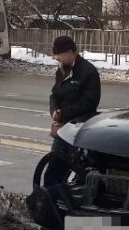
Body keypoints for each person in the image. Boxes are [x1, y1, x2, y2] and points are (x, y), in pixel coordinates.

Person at [43, 36, 101, 188]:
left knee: (76, 168)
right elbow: (55, 94)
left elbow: (89, 102)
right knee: (54, 168)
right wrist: (54, 109)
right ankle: (49, 201)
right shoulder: (62, 70)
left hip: (79, 129)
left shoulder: (88, 72)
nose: (58, 59)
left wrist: (64, 112)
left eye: (60, 56)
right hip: (62, 128)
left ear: (70, 52)